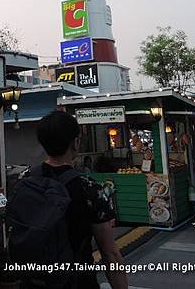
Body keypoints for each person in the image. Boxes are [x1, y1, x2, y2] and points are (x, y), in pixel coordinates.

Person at [12, 111, 127, 289]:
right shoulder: (90, 188)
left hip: (34, 282)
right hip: (77, 282)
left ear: (43, 144)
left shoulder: (24, 179)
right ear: (76, 142)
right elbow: (110, 253)